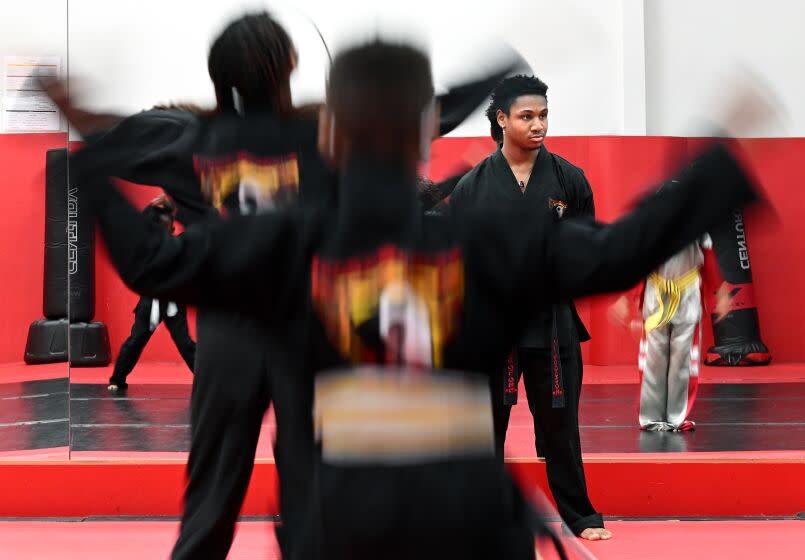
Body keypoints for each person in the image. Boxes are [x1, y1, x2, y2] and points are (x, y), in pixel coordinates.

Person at [69, 37, 760, 558]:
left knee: (229, 487)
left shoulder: (284, 245)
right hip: (469, 523)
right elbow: (625, 248)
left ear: (330, 130)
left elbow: (149, 262)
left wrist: (92, 170)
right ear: (423, 136)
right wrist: (716, 160)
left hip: (338, 525)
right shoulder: (484, 239)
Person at [450, 74, 606, 540]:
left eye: (543, 116)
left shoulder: (568, 180)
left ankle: (579, 514)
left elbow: (587, 246)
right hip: (495, 327)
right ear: (502, 120)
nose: (538, 125)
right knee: (485, 429)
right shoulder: (473, 186)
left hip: (553, 322)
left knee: (561, 426)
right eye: (526, 116)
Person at [609, 191, 733, 432]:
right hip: (656, 296)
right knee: (653, 358)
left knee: (683, 360)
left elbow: (708, 262)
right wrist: (628, 296)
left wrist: (720, 293)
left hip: (687, 297)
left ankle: (676, 417)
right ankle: (651, 416)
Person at [108, 195, 196, 390]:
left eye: (169, 227)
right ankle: (117, 379)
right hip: (150, 304)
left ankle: (205, 380)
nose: (165, 230)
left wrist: (174, 207)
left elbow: (195, 231)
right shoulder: (147, 248)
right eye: (160, 227)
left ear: (172, 229)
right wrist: (153, 206)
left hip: (173, 304)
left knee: (185, 345)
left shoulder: (179, 245)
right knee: (135, 341)